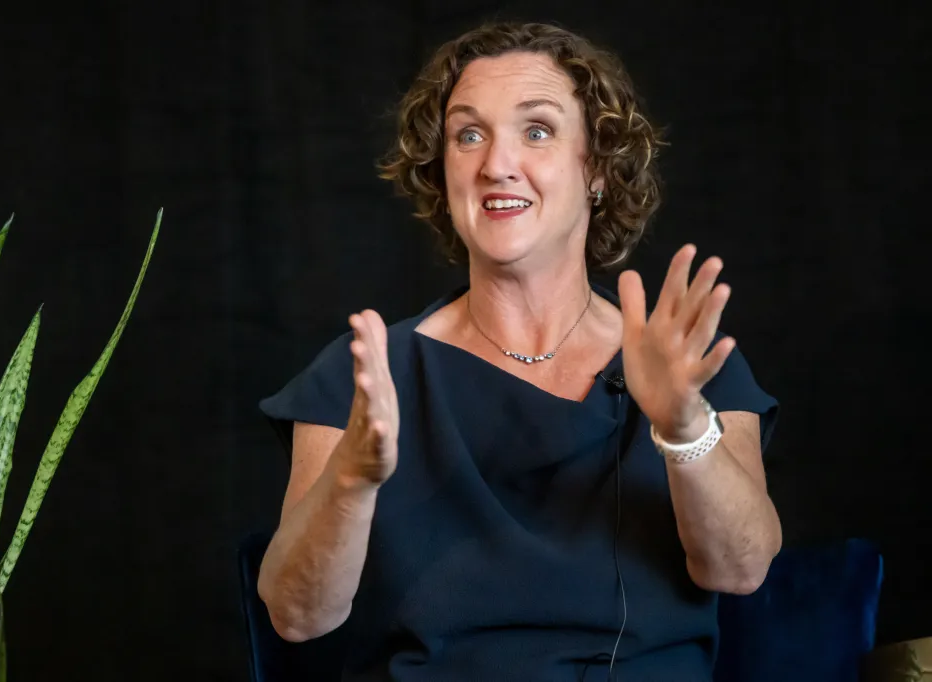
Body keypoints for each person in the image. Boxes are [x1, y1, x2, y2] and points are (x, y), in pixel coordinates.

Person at [257, 21, 781, 682]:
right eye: (468, 134)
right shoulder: (365, 375)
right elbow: (297, 615)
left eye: (537, 130)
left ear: (596, 169)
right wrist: (353, 479)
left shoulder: (686, 361)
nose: (495, 163)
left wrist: (682, 427)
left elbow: (740, 569)